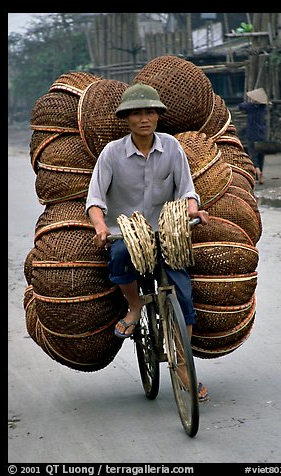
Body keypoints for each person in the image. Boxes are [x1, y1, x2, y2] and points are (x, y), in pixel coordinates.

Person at [85, 82, 210, 402]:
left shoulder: (171, 147)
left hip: (167, 231)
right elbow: (95, 199)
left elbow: (187, 190)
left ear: (158, 116)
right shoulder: (112, 153)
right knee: (121, 254)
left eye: (150, 112)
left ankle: (184, 365)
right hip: (125, 231)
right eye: (137, 113)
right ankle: (135, 305)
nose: (144, 118)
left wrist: (195, 210)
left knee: (183, 294)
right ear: (126, 118)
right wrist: (100, 226)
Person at [238, 87, 269, 184]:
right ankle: (261, 173)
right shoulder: (263, 108)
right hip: (262, 135)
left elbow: (240, 106)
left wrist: (250, 102)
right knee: (261, 155)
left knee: (253, 155)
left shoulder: (250, 107)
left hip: (252, 134)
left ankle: (257, 171)